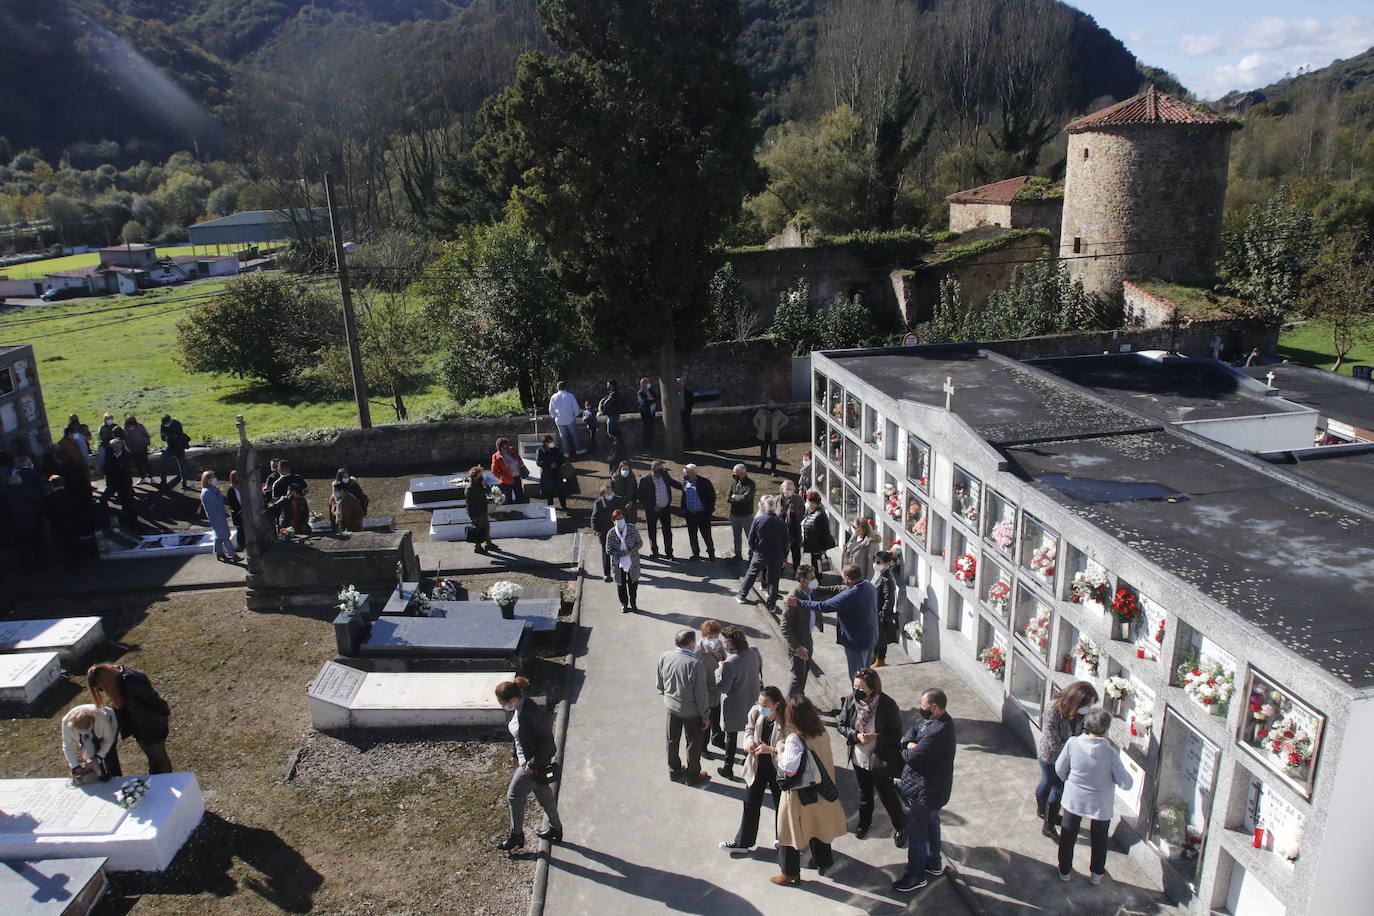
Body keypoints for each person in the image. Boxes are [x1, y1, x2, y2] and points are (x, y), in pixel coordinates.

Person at [772, 695, 847, 886]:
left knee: (787, 832)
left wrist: (780, 750)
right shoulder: (821, 731)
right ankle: (823, 861)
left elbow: (789, 769)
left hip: (801, 793)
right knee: (819, 826)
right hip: (823, 787)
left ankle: (789, 872)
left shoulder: (794, 739)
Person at [1056, 708, 1133, 883]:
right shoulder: (1110, 753)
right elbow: (1126, 783)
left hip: (1074, 798)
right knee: (1099, 839)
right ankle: (1096, 874)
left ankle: (1064, 871)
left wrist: (1072, 782)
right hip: (1101, 803)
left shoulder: (1073, 743)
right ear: (1106, 730)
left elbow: (1060, 769)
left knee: (1068, 835)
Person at [893, 688, 957, 893]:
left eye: (923, 706)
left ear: (935, 707)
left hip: (925, 791)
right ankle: (934, 863)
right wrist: (910, 742)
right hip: (932, 791)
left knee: (918, 834)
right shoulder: (934, 723)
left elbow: (913, 757)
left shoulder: (938, 731)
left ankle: (916, 875)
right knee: (932, 824)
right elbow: (913, 730)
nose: (920, 709)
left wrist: (907, 747)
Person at [838, 668, 907, 845]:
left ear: (872, 688)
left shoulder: (888, 706)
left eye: (861, 688)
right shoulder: (851, 701)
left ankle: (900, 826)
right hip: (859, 757)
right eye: (855, 687)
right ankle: (864, 822)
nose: (856, 691)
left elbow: (896, 735)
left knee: (887, 793)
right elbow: (841, 724)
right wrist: (855, 735)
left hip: (879, 758)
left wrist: (876, 737)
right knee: (864, 793)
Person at [494, 677, 564, 850]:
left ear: (512, 700)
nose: (502, 705)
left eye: (502, 702)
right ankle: (556, 829)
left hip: (532, 765)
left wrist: (531, 765)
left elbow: (548, 744)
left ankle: (516, 836)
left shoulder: (530, 713)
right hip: (527, 762)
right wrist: (514, 754)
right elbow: (519, 734)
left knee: (514, 795)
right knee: (543, 794)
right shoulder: (520, 707)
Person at [720, 686, 784, 854]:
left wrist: (770, 749)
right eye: (759, 703)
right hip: (757, 765)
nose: (761, 708)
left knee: (782, 805)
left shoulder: (787, 720)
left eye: (765, 705)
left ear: (777, 705)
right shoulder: (755, 712)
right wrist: (748, 743)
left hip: (778, 767)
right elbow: (749, 729)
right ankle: (743, 842)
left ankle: (784, 840)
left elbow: (792, 746)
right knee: (750, 803)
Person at [788, 564, 879, 680]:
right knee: (867, 675)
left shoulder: (849, 596)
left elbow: (824, 606)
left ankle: (858, 697)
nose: (842, 580)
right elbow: (836, 589)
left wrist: (799, 603)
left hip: (856, 643)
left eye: (844, 578)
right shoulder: (868, 586)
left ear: (849, 579)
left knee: (858, 677)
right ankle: (866, 696)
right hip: (870, 638)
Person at [1037, 681, 1099, 839]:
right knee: (1047, 782)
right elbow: (1052, 740)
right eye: (1088, 704)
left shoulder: (1081, 714)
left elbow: (1083, 732)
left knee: (1058, 789)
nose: (1088, 709)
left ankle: (1048, 826)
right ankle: (1042, 809)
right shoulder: (1053, 709)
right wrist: (1076, 748)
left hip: (1070, 758)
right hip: (1051, 756)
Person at [86, 663, 173, 774]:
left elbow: (152, 699)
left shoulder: (131, 681)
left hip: (152, 725)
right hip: (140, 728)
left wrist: (165, 711)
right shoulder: (120, 683)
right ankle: (157, 780)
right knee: (153, 759)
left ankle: (167, 781)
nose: (103, 691)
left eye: (101, 688)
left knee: (159, 758)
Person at [657, 628, 710, 786]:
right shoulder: (695, 664)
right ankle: (693, 774)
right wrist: (705, 715)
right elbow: (701, 694)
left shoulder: (665, 656)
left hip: (671, 707)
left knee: (672, 739)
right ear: (692, 644)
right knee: (693, 743)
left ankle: (674, 771)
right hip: (691, 711)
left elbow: (660, 682)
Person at [781, 565, 839, 697]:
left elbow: (828, 590)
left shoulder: (811, 590)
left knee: (804, 674)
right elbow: (784, 626)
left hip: (807, 639)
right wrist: (797, 648)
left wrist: (849, 587)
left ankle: (799, 702)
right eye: (812, 578)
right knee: (797, 677)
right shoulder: (794, 597)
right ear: (802, 580)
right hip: (798, 643)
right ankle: (790, 707)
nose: (815, 580)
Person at [715, 626, 763, 781]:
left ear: (730, 643)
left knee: (731, 736)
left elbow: (723, 688)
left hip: (735, 703)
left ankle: (728, 767)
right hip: (752, 698)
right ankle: (747, 758)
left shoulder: (729, 663)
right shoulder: (753, 651)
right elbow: (760, 670)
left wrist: (719, 670)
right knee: (750, 730)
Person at [738, 495, 787, 612]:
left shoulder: (758, 520)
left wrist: (755, 550)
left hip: (760, 553)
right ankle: (772, 605)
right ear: (775, 508)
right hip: (776, 555)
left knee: (751, 574)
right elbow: (786, 541)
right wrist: (784, 556)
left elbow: (750, 539)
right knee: (773, 580)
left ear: (764, 507)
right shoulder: (781, 522)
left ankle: (742, 595)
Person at [62, 704, 121, 783]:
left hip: (109, 722)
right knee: (90, 755)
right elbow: (67, 746)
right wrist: (75, 766)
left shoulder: (101, 716)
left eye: (86, 730)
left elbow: (109, 739)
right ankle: (100, 775)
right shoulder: (66, 723)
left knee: (109, 753)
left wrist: (99, 757)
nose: (84, 732)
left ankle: (116, 778)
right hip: (87, 736)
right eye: (81, 731)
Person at [46, 474, 93, 567]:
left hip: (61, 525)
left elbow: (50, 513)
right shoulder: (70, 494)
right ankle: (78, 559)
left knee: (66, 544)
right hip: (73, 522)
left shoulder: (51, 498)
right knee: (75, 541)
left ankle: (70, 561)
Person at [636, 458, 679, 560]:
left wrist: (683, 487)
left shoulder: (664, 474)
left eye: (662, 469)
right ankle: (655, 552)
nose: (662, 471)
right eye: (659, 469)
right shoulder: (645, 480)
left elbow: (672, 482)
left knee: (667, 531)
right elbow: (641, 496)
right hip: (652, 510)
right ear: (653, 469)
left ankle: (669, 553)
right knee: (652, 531)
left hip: (665, 508)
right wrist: (652, 506)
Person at [2, 473, 46, 570]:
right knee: (36, 544)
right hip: (33, 522)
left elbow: (5, 512)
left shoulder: (5, 495)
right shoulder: (30, 491)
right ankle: (40, 563)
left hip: (16, 525)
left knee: (22, 547)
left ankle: (26, 565)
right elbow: (39, 505)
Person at [697, 620, 727, 752]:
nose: (714, 639)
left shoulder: (719, 645)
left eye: (716, 636)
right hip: (704, 689)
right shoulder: (699, 649)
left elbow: (724, 658)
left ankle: (717, 739)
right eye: (711, 636)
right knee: (706, 721)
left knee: (716, 717)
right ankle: (703, 747)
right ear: (704, 635)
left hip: (716, 688)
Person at [199, 470, 240, 561]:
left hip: (218, 515)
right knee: (225, 536)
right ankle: (233, 555)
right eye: (212, 477)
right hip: (216, 517)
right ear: (208, 480)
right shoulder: (207, 492)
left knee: (219, 536)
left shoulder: (211, 488)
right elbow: (218, 502)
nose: (215, 479)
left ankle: (219, 552)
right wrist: (219, 494)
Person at [606, 509, 642, 613]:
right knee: (621, 585)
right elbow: (608, 550)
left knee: (633, 584)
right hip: (618, 563)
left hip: (633, 561)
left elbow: (639, 543)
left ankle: (633, 604)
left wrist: (631, 551)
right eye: (618, 519)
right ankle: (624, 604)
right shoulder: (611, 533)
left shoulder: (632, 528)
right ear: (614, 521)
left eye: (621, 518)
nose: (620, 520)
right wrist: (621, 553)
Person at [680, 464, 716, 561]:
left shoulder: (704, 482)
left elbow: (712, 497)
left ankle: (711, 553)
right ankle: (696, 553)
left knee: (706, 535)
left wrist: (709, 511)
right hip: (690, 514)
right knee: (692, 535)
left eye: (686, 473)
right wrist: (684, 510)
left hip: (702, 514)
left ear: (692, 473)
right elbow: (684, 497)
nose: (684, 475)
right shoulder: (685, 483)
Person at [590, 482, 625, 582]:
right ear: (602, 494)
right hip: (604, 532)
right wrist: (596, 530)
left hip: (617, 530)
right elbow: (594, 518)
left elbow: (624, 514)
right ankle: (607, 574)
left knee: (618, 552)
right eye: (606, 492)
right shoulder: (598, 503)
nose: (609, 493)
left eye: (610, 491)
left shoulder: (619, 500)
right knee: (606, 553)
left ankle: (619, 572)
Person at [98, 438, 137, 521]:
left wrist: (113, 468)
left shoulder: (126, 455)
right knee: (103, 499)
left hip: (124, 483)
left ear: (119, 447)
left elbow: (125, 469)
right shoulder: (109, 454)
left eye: (113, 447)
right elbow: (106, 468)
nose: (112, 449)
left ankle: (130, 520)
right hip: (112, 482)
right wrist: (116, 468)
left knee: (127, 502)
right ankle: (106, 516)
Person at [872, 550, 899, 667]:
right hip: (873, 611)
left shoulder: (887, 578)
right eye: (875, 561)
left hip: (880, 613)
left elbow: (889, 599)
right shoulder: (878, 574)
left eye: (879, 562)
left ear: (887, 564)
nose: (876, 564)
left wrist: (882, 614)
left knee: (881, 637)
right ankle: (874, 656)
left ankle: (880, 660)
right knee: (875, 635)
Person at [726, 464, 757, 562]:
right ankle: (738, 554)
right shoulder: (734, 482)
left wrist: (735, 497)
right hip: (734, 515)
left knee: (750, 537)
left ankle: (752, 556)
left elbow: (746, 498)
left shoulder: (750, 484)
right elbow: (728, 497)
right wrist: (737, 497)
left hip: (746, 515)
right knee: (736, 536)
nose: (734, 475)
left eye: (736, 473)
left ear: (742, 473)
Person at [801, 490, 836, 574]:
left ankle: (817, 581)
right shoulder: (815, 512)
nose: (807, 504)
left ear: (813, 502)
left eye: (808, 502)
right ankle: (816, 580)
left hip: (817, 546)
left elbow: (825, 533)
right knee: (815, 563)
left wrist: (823, 549)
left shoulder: (820, 515)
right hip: (814, 546)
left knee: (816, 565)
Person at [465, 465, 498, 555]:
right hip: (477, 512)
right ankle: (478, 547)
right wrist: (473, 517)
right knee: (479, 530)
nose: (481, 476)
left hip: (483, 510)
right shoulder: (470, 488)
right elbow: (469, 505)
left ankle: (488, 543)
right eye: (480, 475)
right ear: (475, 476)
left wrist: (484, 485)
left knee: (486, 527)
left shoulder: (480, 483)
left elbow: (487, 492)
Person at [753, 399, 790, 476]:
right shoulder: (761, 412)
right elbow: (755, 420)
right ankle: (763, 465)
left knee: (773, 453)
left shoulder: (778, 413)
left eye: (774, 405)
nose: (773, 407)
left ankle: (773, 469)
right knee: (763, 452)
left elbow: (785, 419)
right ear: (768, 405)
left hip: (773, 436)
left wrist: (779, 427)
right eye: (771, 405)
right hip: (763, 435)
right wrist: (759, 428)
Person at [536, 434, 570, 511]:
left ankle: (563, 505)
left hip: (557, 473)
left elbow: (562, 459)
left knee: (561, 491)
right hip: (547, 474)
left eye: (552, 441)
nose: (552, 443)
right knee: (549, 492)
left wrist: (556, 464)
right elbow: (538, 462)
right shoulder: (540, 451)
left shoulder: (556, 450)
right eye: (550, 442)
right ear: (545, 443)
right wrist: (549, 465)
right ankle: (551, 507)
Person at [548, 380, 583, 457]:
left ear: (557, 388)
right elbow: (575, 407)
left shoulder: (553, 397)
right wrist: (575, 415)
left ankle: (566, 452)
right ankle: (579, 450)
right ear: (565, 387)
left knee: (563, 436)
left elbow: (551, 409)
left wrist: (554, 416)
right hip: (569, 418)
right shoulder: (570, 396)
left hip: (559, 419)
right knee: (574, 434)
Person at [490, 437, 527, 505]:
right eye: (505, 445)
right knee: (508, 499)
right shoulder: (496, 456)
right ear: (500, 447)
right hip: (506, 480)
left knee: (520, 497)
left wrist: (521, 465)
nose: (507, 446)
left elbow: (518, 458)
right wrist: (502, 477)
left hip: (516, 477)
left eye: (507, 444)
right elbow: (494, 470)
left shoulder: (512, 450)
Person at [778, 480, 804, 574]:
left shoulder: (798, 500)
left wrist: (794, 510)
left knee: (796, 554)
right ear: (782, 489)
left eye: (790, 489)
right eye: (786, 489)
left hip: (794, 531)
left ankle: (796, 571)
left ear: (794, 490)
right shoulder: (778, 500)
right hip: (782, 533)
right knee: (782, 554)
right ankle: (780, 571)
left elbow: (802, 514)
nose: (788, 491)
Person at [159, 414, 191, 488]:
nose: (166, 425)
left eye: (167, 423)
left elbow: (178, 436)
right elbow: (163, 438)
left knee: (182, 464)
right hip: (170, 445)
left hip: (178, 446)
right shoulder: (162, 425)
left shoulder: (177, 423)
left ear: (170, 420)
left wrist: (169, 436)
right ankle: (163, 480)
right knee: (163, 461)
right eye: (165, 424)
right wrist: (167, 436)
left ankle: (184, 482)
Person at [843, 517, 878, 582]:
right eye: (855, 528)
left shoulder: (870, 543)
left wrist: (867, 582)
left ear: (864, 529)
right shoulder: (854, 536)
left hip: (859, 579)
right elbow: (847, 556)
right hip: (848, 576)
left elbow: (870, 565)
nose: (856, 531)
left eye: (859, 529)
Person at [123, 413, 152, 482]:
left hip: (142, 447)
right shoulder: (125, 428)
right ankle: (142, 478)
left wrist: (146, 442)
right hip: (132, 449)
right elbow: (125, 438)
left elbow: (146, 435)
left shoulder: (140, 426)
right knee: (137, 464)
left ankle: (151, 477)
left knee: (146, 463)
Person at [636, 376, 658, 449]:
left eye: (648, 382)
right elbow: (643, 402)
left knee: (651, 429)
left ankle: (651, 444)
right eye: (645, 382)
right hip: (646, 413)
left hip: (652, 413)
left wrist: (650, 399)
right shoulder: (640, 392)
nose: (647, 384)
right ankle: (646, 445)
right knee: (646, 429)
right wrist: (650, 399)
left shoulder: (651, 391)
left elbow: (655, 398)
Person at [225, 469, 244, 550]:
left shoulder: (244, 487)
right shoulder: (231, 491)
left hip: (247, 514)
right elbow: (232, 504)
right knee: (241, 532)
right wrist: (240, 511)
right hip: (238, 515)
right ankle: (242, 546)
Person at [677, 377, 696, 448]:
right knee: (678, 430)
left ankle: (691, 444)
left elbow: (692, 401)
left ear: (683, 383)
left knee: (687, 429)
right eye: (678, 383)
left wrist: (688, 408)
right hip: (677, 413)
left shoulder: (688, 391)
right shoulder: (674, 392)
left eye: (680, 382)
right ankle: (681, 445)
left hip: (686, 412)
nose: (679, 384)